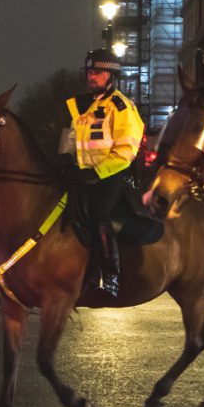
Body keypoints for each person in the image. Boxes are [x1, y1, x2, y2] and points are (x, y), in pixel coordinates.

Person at [58, 48, 145, 297]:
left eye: (96, 72)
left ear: (110, 75)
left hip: (111, 175)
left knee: (98, 213)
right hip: (82, 173)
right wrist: (64, 156)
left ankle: (110, 276)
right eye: (88, 72)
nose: (90, 76)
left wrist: (97, 173)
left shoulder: (121, 107)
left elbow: (126, 151)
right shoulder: (82, 106)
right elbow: (71, 135)